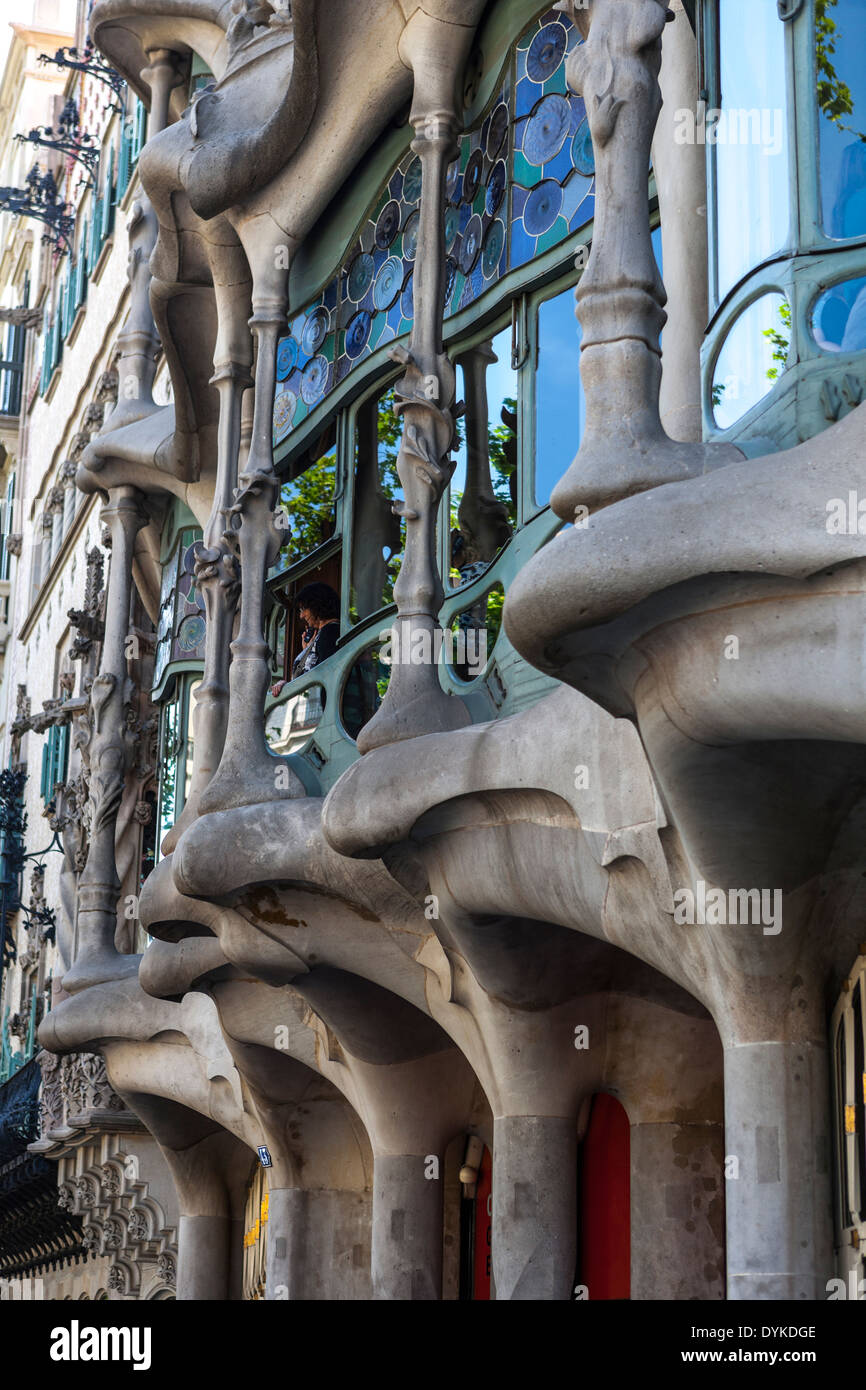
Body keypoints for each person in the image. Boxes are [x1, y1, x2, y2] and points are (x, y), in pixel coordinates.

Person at [270, 582, 340, 698]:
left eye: (303, 609)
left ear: (316, 605)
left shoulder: (329, 633)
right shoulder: (325, 634)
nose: (301, 616)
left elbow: (323, 678)